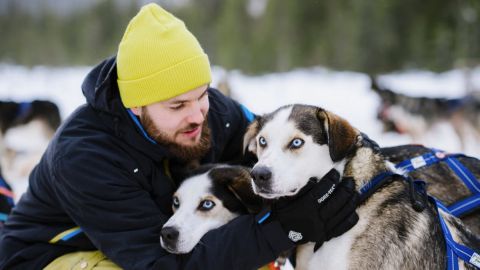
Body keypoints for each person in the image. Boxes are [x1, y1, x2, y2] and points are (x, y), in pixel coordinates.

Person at [0, 3, 359, 269]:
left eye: (201, 94)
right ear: (136, 105)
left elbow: (272, 154)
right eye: (177, 106)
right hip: (50, 258)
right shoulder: (85, 158)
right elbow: (160, 265)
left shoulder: (211, 112)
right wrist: (282, 228)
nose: (197, 115)